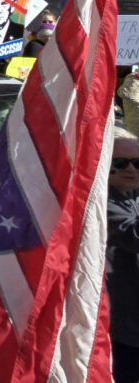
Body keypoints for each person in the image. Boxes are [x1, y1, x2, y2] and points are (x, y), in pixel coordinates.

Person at [106, 129, 139, 383]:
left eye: (137, 162)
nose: (131, 169)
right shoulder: (101, 203)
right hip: (124, 324)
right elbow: (132, 235)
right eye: (120, 162)